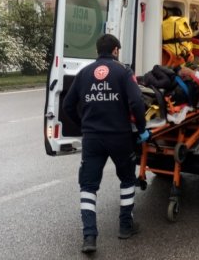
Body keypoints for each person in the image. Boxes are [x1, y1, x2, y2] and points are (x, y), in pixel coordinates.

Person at [62, 34, 149, 254]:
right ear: (115, 50)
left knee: (88, 186)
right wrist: (141, 129)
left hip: (92, 138)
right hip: (119, 136)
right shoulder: (123, 72)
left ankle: (89, 236)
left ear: (97, 51)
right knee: (127, 179)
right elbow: (136, 102)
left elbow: (67, 105)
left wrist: (83, 124)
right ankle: (125, 227)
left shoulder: (84, 73)